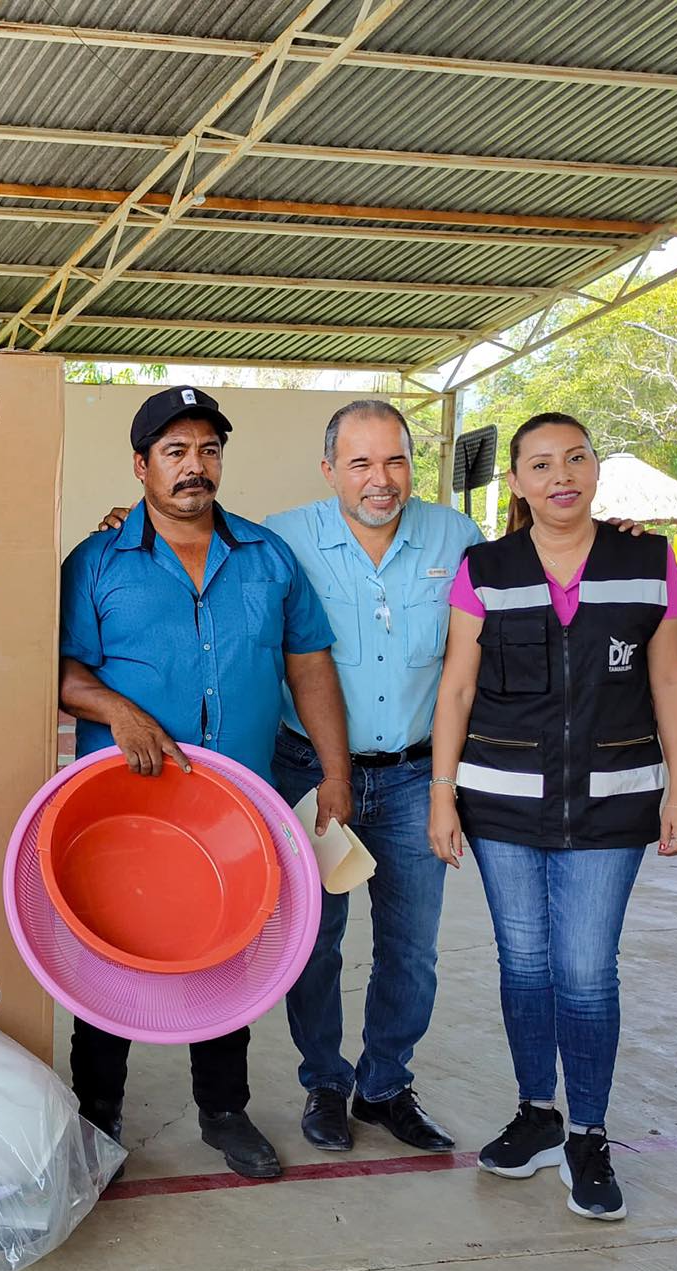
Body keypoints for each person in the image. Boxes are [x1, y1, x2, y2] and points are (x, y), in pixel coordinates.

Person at [59, 385, 351, 1181]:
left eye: (208, 451)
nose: (195, 468)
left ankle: (223, 1112)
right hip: (126, 807)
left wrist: (333, 772)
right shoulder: (95, 561)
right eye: (176, 453)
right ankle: (97, 1118)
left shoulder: (266, 557)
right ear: (141, 467)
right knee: (113, 952)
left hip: (235, 806)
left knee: (228, 952)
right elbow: (60, 669)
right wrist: (116, 709)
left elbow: (310, 664)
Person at [429, 413, 677, 1222]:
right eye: (540, 464)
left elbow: (672, 682)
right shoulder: (485, 567)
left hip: (612, 803)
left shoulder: (648, 560)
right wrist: (443, 793)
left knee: (584, 972)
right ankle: (536, 1113)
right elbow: (458, 686)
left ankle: (588, 1132)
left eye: (575, 458)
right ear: (516, 483)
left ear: (594, 469)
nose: (560, 475)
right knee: (524, 965)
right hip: (502, 801)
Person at [260, 402, 483, 1155]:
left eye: (394, 461)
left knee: (411, 947)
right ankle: (325, 1082)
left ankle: (385, 1084)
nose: (380, 480)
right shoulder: (283, 538)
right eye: (360, 463)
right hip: (312, 772)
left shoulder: (457, 538)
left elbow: (532, 581)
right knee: (314, 943)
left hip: (419, 773)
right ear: (330, 471)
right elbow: (195, 543)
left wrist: (612, 542)